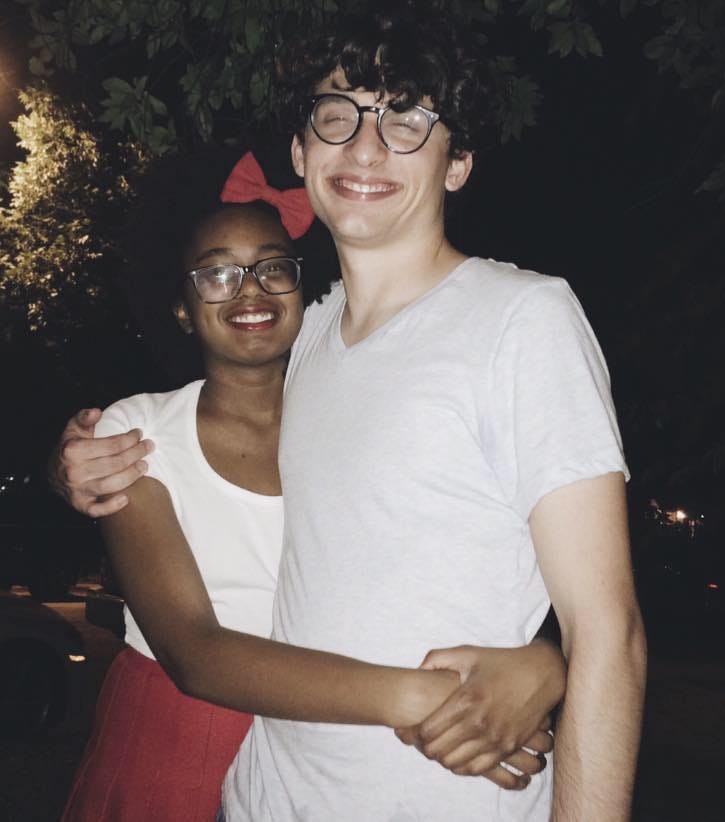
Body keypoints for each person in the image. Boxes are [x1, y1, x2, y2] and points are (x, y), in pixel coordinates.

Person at [54, 4, 647, 820]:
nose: (366, 147)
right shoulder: (309, 340)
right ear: (302, 152)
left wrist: (551, 662)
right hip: (264, 800)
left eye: (406, 117)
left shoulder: (523, 319)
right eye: (339, 114)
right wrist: (71, 463)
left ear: (458, 161)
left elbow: (608, 633)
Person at [58, 153, 566, 822]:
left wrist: (543, 659)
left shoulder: (351, 423)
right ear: (182, 307)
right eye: (217, 273)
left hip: (323, 747)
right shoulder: (139, 431)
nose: (249, 291)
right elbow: (195, 654)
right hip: (178, 738)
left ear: (305, 289)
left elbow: (456, 551)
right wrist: (444, 704)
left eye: (273, 268)